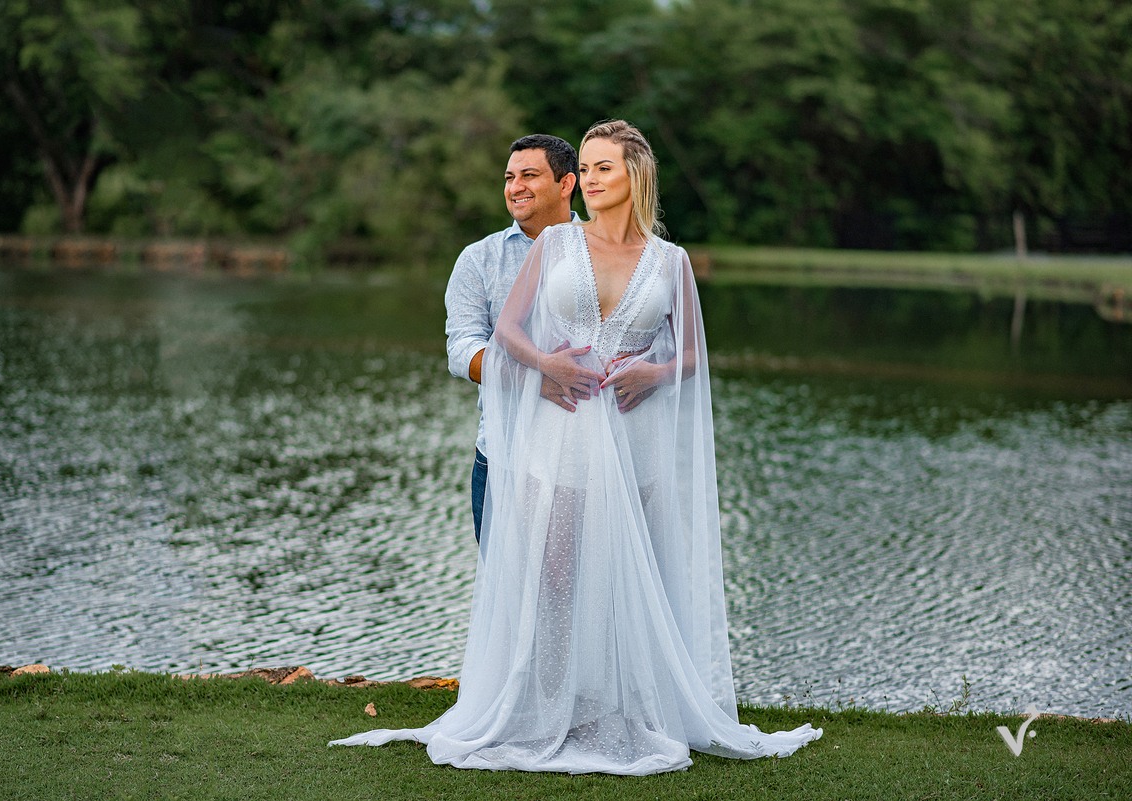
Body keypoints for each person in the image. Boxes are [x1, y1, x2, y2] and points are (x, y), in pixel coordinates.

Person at [331, 121, 822, 774]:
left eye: (602, 168)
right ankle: (544, 711)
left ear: (635, 175)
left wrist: (654, 372)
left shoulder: (671, 261)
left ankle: (630, 711)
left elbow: (693, 354)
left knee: (631, 580)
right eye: (585, 168)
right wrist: (544, 365)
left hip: (634, 441)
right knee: (551, 579)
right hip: (557, 436)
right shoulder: (555, 244)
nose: (590, 179)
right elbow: (506, 330)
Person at [444, 134, 587, 543]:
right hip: (504, 457)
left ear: (566, 183)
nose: (515, 187)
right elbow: (462, 350)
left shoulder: (602, 250)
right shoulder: (480, 259)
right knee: (503, 584)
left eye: (529, 175)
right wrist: (535, 379)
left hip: (589, 460)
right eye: (510, 177)